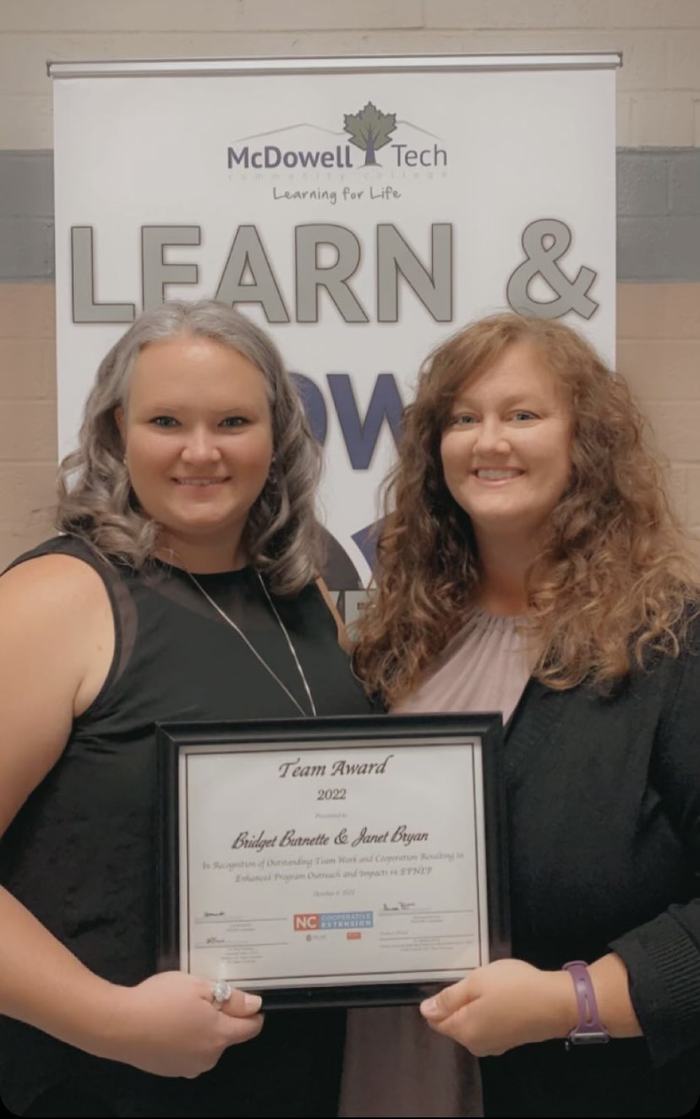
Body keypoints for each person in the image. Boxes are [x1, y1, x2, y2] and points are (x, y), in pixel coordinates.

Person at [0, 300, 374, 1119]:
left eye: (233, 420)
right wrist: (113, 1022)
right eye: (166, 420)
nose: (200, 451)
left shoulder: (303, 594)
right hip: (97, 1084)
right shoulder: (56, 597)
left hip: (295, 1078)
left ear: (274, 439)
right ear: (115, 434)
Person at [347, 312, 700, 1118]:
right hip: (387, 1073)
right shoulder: (394, 644)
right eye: (462, 418)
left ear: (588, 441)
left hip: (581, 1085)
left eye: (523, 414)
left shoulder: (673, 645)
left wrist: (567, 1001)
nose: (488, 440)